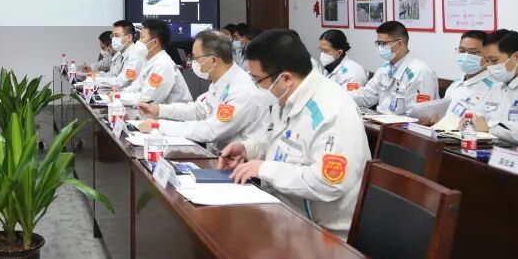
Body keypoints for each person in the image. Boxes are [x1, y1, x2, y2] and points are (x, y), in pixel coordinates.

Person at [219, 29, 371, 238]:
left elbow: (329, 183)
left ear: (286, 78)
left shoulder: (334, 111)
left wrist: (263, 169)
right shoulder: (288, 97)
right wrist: (247, 148)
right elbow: (279, 140)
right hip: (284, 212)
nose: (256, 87)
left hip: (323, 233)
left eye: (258, 80)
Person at [138, 31, 272, 150]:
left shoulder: (241, 90)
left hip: (239, 164)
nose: (194, 63)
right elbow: (199, 110)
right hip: (217, 155)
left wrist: (159, 126)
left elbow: (211, 130)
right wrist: (158, 110)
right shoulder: (220, 81)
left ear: (213, 60)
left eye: (196, 58)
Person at [349, 21, 438, 115]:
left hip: (399, 123)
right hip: (380, 120)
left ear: (399, 44)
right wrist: (341, 96)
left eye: (383, 43)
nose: (380, 47)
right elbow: (367, 95)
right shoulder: (384, 68)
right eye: (378, 43)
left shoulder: (420, 72)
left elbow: (418, 116)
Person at [423, 30, 493, 127]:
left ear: (488, 55)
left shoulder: (495, 88)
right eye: (462, 51)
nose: (466, 56)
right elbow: (443, 116)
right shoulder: (455, 86)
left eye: (473, 52)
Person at [120, 19, 192, 104]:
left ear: (155, 43)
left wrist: (117, 97)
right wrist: (119, 92)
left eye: (142, 37)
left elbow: (148, 100)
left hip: (173, 112)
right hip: (155, 110)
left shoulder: (163, 64)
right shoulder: (148, 61)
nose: (138, 42)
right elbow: (136, 87)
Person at [94, 20, 147, 90]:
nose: (113, 39)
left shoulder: (135, 55)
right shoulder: (122, 54)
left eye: (117, 36)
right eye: (112, 36)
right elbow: (114, 76)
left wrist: (96, 79)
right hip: (121, 92)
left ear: (129, 37)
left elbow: (122, 82)